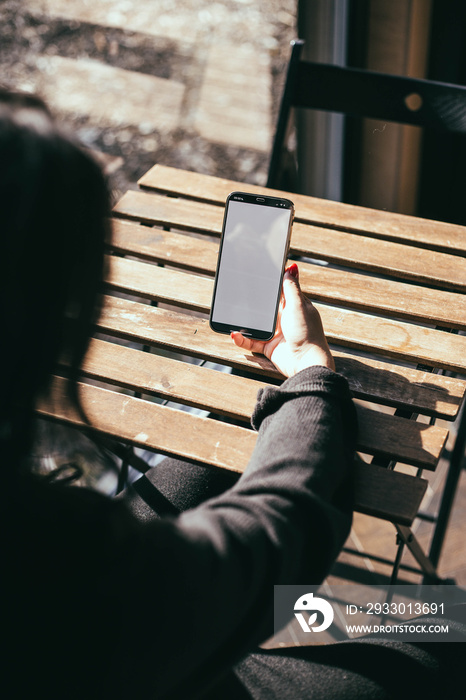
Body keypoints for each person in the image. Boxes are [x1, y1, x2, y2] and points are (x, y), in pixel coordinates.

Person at [0, 89, 463, 700]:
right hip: (141, 659)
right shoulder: (59, 557)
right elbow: (277, 536)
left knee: (226, 451)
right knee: (446, 632)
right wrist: (310, 378)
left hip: (101, 632)